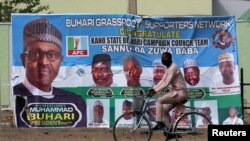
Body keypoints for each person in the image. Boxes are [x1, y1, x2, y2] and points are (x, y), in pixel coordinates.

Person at [13, 18, 86, 127]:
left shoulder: (75, 101)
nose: (44, 62)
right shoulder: (16, 96)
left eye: (52, 55)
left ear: (60, 61)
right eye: (36, 54)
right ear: (24, 59)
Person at [146, 52, 188, 131]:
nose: (164, 60)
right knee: (164, 110)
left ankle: (159, 123)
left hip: (180, 93)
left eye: (166, 58)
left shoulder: (173, 67)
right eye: (163, 58)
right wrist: (152, 89)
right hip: (176, 93)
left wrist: (154, 91)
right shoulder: (169, 68)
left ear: (170, 59)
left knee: (159, 100)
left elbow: (166, 83)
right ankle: (170, 131)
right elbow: (162, 81)